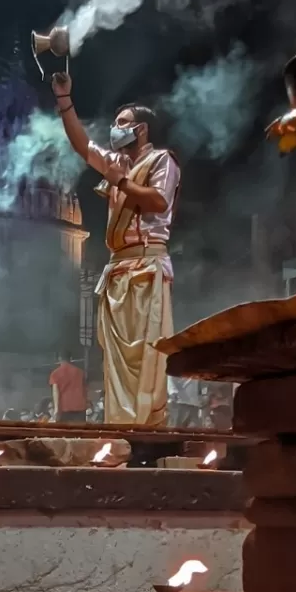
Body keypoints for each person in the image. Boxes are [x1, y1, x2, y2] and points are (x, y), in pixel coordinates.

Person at [52, 73, 181, 427]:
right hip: (118, 270)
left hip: (146, 267)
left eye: (122, 123)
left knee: (146, 352)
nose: (114, 128)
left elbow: (157, 201)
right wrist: (66, 102)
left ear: (141, 130)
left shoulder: (161, 162)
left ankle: (146, 430)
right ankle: (120, 429)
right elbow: (82, 146)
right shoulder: (117, 163)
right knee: (117, 359)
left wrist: (120, 182)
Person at [49, 352, 88, 424]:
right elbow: (85, 389)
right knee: (80, 432)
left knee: (65, 433)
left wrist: (56, 409)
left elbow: (55, 391)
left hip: (64, 408)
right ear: (71, 359)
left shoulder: (55, 373)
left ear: (59, 359)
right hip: (80, 407)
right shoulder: (80, 372)